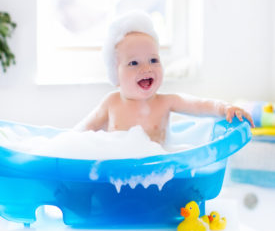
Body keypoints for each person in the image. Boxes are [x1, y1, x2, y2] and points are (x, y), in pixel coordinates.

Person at [75, 10, 254, 145]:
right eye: (134, 63)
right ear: (115, 73)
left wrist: (224, 108)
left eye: (153, 60)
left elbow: (199, 105)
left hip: (158, 176)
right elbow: (80, 135)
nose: (146, 68)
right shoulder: (111, 102)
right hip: (116, 178)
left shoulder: (166, 102)